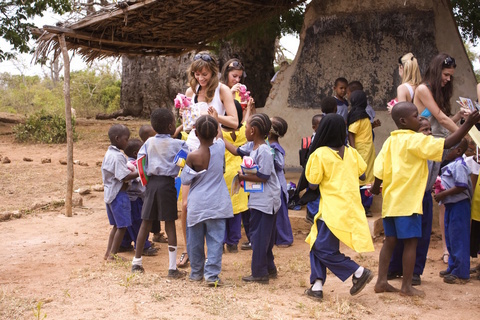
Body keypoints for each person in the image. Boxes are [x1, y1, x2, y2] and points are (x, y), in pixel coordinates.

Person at [370, 102, 480, 296]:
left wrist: (375, 188)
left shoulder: (390, 141)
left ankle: (381, 281)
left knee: (390, 241)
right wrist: (467, 124)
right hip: (409, 203)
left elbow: (379, 169)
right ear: (404, 121)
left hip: (390, 203)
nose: (420, 119)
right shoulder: (415, 140)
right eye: (416, 116)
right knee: (411, 243)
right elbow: (446, 143)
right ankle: (406, 286)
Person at [304, 114, 374, 301]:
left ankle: (358, 272)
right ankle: (317, 285)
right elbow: (362, 173)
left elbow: (312, 183)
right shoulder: (351, 152)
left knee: (322, 249)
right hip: (350, 209)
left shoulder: (320, 154)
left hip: (331, 211)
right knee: (315, 242)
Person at [413, 53, 468, 264]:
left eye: (451, 76)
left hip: (437, 150)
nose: (448, 79)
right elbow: (442, 119)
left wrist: (462, 120)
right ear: (437, 72)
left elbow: (445, 121)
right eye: (446, 75)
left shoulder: (436, 92)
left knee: (429, 194)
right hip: (427, 150)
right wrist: (467, 136)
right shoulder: (423, 89)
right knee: (424, 195)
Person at [131, 108, 189, 278]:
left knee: (145, 222)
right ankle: (172, 268)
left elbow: (140, 162)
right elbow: (182, 163)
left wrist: (145, 183)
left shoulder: (148, 142)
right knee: (169, 223)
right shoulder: (179, 144)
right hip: (167, 185)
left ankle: (136, 263)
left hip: (151, 184)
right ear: (171, 126)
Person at [224, 113, 281, 284]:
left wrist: (242, 177)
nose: (244, 130)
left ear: (253, 130)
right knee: (262, 235)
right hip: (258, 200)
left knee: (259, 237)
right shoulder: (252, 146)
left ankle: (259, 273)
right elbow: (235, 150)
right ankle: (269, 268)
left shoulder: (264, 150)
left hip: (266, 201)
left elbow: (263, 176)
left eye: (246, 127)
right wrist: (220, 137)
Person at [180, 115, 233, 285]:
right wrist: (216, 119)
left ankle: (196, 273)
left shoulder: (192, 157)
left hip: (197, 205)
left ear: (195, 132)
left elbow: (186, 180)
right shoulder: (219, 147)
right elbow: (219, 137)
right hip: (217, 203)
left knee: (194, 240)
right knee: (216, 241)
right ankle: (212, 276)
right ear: (215, 131)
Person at [387, 117, 440, 286]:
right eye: (425, 130)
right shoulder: (410, 146)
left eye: (430, 129)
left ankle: (415, 271)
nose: (429, 133)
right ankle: (395, 267)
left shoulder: (432, 149)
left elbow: (448, 150)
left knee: (421, 237)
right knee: (399, 236)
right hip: (407, 196)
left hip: (423, 196)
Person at [434, 139, 472, 284]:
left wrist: (443, 194)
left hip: (459, 205)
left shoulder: (460, 165)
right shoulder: (451, 165)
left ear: (457, 151)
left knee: (459, 238)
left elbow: (461, 186)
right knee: (451, 236)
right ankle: (453, 265)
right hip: (450, 205)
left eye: (448, 149)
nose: (445, 152)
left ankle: (461, 272)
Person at [101, 124, 139, 261]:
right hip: (119, 195)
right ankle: (112, 255)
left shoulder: (109, 154)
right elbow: (124, 176)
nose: (128, 142)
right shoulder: (117, 157)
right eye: (126, 139)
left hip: (110, 194)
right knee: (122, 226)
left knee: (116, 226)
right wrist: (140, 172)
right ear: (117, 139)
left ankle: (108, 253)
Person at [119, 139, 158, 256]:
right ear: (137, 153)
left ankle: (124, 243)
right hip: (135, 199)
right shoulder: (133, 165)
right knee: (139, 223)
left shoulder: (130, 163)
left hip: (133, 198)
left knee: (129, 223)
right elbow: (137, 178)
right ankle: (143, 246)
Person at [220, 103, 250, 253]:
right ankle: (233, 242)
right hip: (240, 174)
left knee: (222, 209)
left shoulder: (219, 133)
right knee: (236, 210)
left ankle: (220, 240)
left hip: (223, 175)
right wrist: (248, 109)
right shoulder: (244, 132)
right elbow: (246, 121)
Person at [185, 51, 238, 130]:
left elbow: (234, 122)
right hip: (192, 139)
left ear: (213, 72)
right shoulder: (191, 91)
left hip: (213, 139)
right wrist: (184, 114)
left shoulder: (222, 90)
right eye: (197, 74)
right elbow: (188, 122)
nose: (200, 78)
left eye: (204, 74)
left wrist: (212, 116)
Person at [138, 124, 169, 244]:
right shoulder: (147, 149)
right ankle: (149, 237)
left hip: (152, 186)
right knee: (150, 215)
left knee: (155, 213)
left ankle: (156, 234)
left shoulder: (153, 146)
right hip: (148, 186)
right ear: (148, 138)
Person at [347, 90, 376, 217]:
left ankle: (362, 205)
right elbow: (351, 133)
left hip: (365, 149)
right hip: (362, 150)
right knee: (364, 176)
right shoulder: (359, 116)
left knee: (366, 175)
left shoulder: (359, 115)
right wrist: (354, 150)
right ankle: (364, 206)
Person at [269, 116, 293, 247]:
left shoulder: (275, 147)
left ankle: (285, 239)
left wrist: (270, 156)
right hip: (274, 186)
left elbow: (280, 164)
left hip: (278, 187)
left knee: (281, 214)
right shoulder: (269, 145)